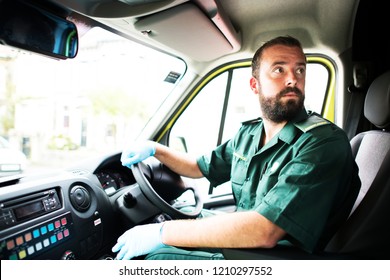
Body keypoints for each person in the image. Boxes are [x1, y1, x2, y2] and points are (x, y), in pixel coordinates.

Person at [112, 35, 360, 260]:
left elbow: (266, 230)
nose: (293, 79)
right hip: (246, 241)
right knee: (184, 214)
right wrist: (155, 149)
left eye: (300, 70)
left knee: (157, 259)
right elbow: (198, 167)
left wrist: (162, 233)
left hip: (277, 257)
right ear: (255, 85)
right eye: (278, 70)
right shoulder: (249, 134)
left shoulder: (323, 142)